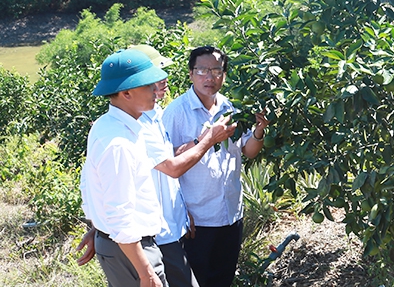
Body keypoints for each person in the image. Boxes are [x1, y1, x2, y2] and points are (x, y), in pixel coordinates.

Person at [78, 45, 236, 287]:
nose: (157, 88)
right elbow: (119, 212)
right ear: (127, 93)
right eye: (148, 84)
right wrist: (145, 272)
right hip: (135, 244)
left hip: (135, 239)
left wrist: (100, 229)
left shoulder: (119, 125)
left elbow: (97, 187)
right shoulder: (119, 141)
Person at [162, 46, 270, 287]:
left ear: (224, 74)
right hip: (196, 220)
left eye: (216, 70)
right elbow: (165, 164)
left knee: (222, 279)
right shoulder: (176, 113)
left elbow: (248, 150)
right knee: (197, 281)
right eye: (202, 70)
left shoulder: (229, 108)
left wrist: (259, 131)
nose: (209, 77)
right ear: (190, 74)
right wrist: (180, 209)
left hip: (230, 214)